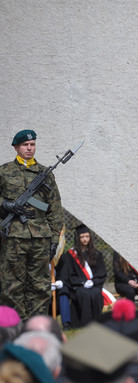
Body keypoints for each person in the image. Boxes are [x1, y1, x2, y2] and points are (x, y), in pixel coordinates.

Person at [0, 130, 64, 321]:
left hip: (40, 238)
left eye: (32, 145)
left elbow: (55, 208)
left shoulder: (45, 174)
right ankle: (13, 327)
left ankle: (35, 328)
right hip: (12, 238)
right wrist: (5, 204)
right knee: (11, 286)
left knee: (40, 286)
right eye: (26, 145)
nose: (30, 148)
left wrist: (54, 240)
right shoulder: (4, 172)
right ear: (16, 147)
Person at [58, 225, 109, 327]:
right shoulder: (70, 255)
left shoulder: (97, 254)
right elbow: (69, 274)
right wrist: (82, 282)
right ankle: (84, 324)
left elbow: (101, 272)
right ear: (78, 238)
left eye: (87, 236)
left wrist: (93, 282)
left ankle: (97, 323)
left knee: (96, 293)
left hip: (94, 285)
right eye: (82, 237)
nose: (85, 239)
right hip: (79, 286)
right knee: (84, 294)